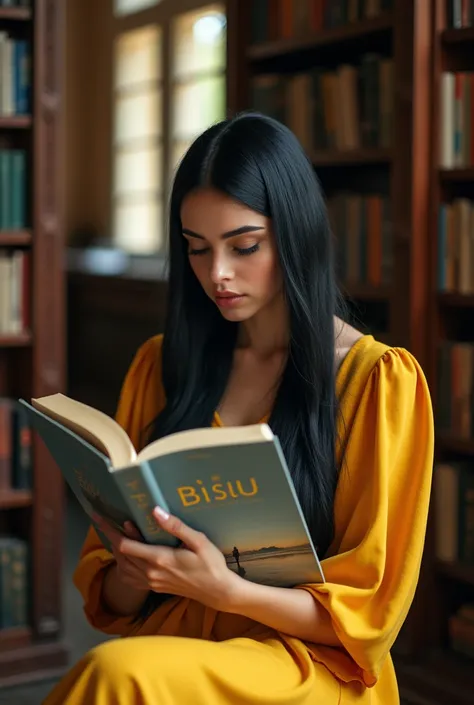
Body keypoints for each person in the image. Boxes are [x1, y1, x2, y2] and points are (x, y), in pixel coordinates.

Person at [44, 112, 434, 705]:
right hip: (177, 637)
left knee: (117, 676)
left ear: (295, 234)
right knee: (121, 669)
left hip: (305, 662)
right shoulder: (161, 365)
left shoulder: (377, 380)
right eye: (196, 250)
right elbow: (112, 607)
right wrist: (132, 567)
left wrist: (223, 590)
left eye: (244, 245)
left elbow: (371, 619)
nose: (217, 275)